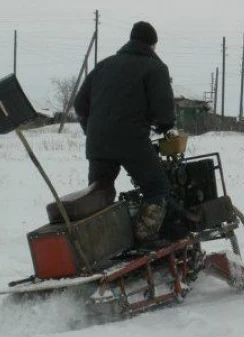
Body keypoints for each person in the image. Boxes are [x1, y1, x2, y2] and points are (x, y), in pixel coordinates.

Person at [74, 21, 175, 242]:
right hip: (131, 141)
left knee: (99, 195)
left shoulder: (103, 65)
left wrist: (90, 129)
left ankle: (96, 246)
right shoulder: (155, 67)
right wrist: (164, 126)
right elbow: (164, 110)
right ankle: (142, 240)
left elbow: (79, 104)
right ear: (152, 44)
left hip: (98, 144)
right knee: (157, 188)